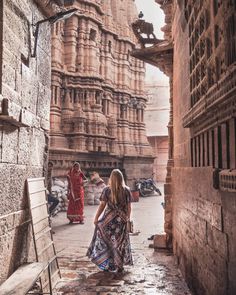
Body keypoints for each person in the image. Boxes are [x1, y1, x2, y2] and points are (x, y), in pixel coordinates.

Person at [87, 169, 133, 273]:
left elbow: (102, 205)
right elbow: (128, 207)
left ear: (111, 178)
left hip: (108, 221)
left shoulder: (107, 190)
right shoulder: (126, 190)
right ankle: (119, 264)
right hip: (121, 221)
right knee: (119, 242)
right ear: (121, 178)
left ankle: (108, 263)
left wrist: (96, 218)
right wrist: (127, 219)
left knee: (107, 242)